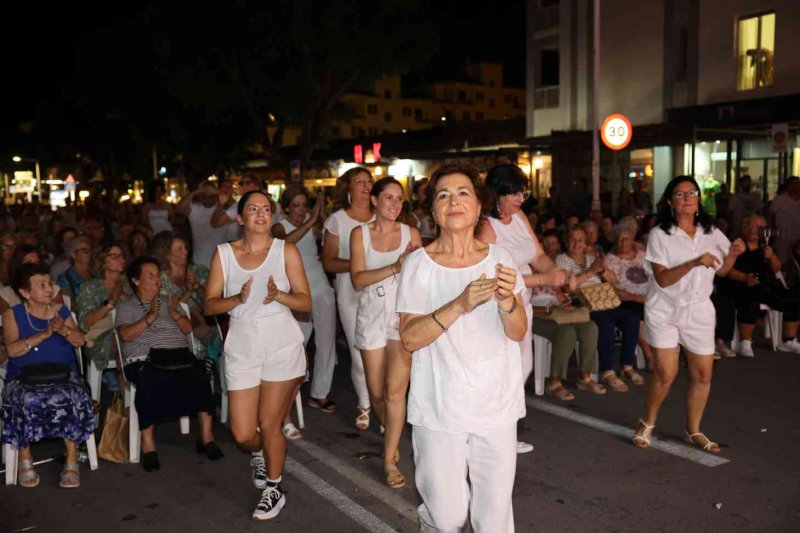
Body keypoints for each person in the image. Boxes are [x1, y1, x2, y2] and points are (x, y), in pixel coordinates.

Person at [397, 163, 527, 531]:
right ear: (434, 211)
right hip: (439, 408)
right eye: (443, 195)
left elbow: (518, 332)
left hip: (496, 405)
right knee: (446, 513)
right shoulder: (418, 265)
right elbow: (409, 337)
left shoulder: (501, 259)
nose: (453, 201)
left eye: (463, 192)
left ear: (479, 205)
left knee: (494, 515)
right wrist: (459, 304)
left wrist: (506, 303)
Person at [204, 190, 311, 520]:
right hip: (242, 344)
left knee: (270, 423)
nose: (261, 214)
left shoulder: (286, 251)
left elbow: (305, 303)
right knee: (244, 434)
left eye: (267, 209)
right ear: (240, 218)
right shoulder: (223, 254)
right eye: (253, 209)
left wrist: (280, 295)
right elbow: (209, 305)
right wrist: (236, 298)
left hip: (281, 341)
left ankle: (274, 489)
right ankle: (262, 455)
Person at [632, 175, 744, 453]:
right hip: (665, 310)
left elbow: (722, 270)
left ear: (698, 200)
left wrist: (733, 256)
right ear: (670, 202)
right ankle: (647, 422)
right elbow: (662, 280)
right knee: (665, 373)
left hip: (698, 310)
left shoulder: (711, 232)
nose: (686, 198)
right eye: (680, 195)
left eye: (691, 193)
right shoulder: (660, 234)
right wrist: (694, 262)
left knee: (703, 374)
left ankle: (693, 430)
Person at [478, 163, 572, 454]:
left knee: (523, 368)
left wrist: (559, 275)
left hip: (524, 304)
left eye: (523, 192)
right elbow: (494, 277)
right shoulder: (485, 226)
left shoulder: (518, 218)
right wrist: (543, 278)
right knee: (502, 371)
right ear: (497, 194)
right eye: (515, 193)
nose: (521, 199)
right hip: (498, 307)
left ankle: (501, 429)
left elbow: (538, 254)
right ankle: (491, 432)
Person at [115, 256, 223, 472]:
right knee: (148, 380)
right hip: (145, 360)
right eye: (151, 275)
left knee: (199, 372)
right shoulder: (127, 307)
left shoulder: (170, 302)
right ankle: (148, 445)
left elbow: (187, 330)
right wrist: (151, 316)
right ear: (136, 281)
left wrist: (174, 314)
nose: (157, 280)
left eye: (158, 275)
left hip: (178, 357)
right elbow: (126, 336)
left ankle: (206, 437)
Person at [350, 177, 421, 488]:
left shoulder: (412, 234)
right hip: (370, 315)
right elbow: (358, 279)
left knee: (395, 392)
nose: (395, 204)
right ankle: (389, 433)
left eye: (399, 199)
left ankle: (389, 459)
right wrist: (396, 265)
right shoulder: (359, 234)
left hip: (402, 315)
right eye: (389, 198)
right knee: (377, 393)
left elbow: (421, 278)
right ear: (375, 200)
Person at [1, 263, 91, 488]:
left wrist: (63, 329)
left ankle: (71, 459)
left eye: (49, 283)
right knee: (25, 399)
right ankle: (25, 459)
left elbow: (81, 341)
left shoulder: (61, 310)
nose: (49, 289)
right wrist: (43, 334)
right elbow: (12, 350)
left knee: (75, 395)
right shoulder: (13, 314)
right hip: (24, 378)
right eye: (41, 285)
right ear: (25, 292)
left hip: (62, 375)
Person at [272, 186, 337, 432]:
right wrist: (310, 221)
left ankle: (320, 392)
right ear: (287, 207)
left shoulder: (312, 223)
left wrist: (318, 213)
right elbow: (284, 244)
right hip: (297, 288)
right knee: (298, 343)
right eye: (296, 205)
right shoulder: (280, 226)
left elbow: (324, 240)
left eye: (303, 204)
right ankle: (286, 399)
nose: (300, 210)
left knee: (326, 341)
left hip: (320, 284)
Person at [322, 167, 375, 430]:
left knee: (383, 353)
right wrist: (360, 263)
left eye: (369, 181)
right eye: (360, 182)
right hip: (350, 295)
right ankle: (365, 404)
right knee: (359, 354)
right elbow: (329, 262)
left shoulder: (383, 216)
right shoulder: (337, 220)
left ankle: (384, 405)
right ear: (348, 188)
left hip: (381, 295)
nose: (366, 186)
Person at [557, 225, 641, 392]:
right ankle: (608, 370)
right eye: (573, 240)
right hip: (580, 302)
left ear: (586, 243)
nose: (577, 244)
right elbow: (568, 288)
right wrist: (590, 272)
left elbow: (613, 279)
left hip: (602, 299)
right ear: (567, 242)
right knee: (606, 322)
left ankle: (627, 364)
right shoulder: (562, 259)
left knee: (631, 318)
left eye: (580, 240)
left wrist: (601, 269)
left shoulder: (591, 257)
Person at [725, 214, 800, 355]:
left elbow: (777, 269)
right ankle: (745, 342)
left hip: (765, 284)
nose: (759, 229)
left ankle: (789, 340)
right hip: (741, 283)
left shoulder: (764, 245)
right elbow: (726, 269)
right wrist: (744, 277)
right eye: (756, 226)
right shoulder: (737, 244)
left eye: (762, 227)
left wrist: (771, 256)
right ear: (747, 227)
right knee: (750, 296)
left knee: (794, 296)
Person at [151, 232, 220, 362]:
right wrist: (188, 292)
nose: (185, 252)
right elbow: (169, 310)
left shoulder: (199, 270)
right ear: (167, 255)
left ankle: (212, 363)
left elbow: (212, 302)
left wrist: (197, 286)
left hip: (207, 319)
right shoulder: (160, 279)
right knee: (190, 314)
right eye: (179, 249)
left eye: (185, 247)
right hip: (177, 325)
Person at [75, 243, 130, 383]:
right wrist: (110, 302)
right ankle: (126, 397)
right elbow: (85, 323)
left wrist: (123, 296)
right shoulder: (90, 287)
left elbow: (137, 311)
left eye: (121, 256)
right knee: (125, 344)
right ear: (103, 262)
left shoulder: (129, 284)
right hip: (100, 339)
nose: (120, 259)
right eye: (114, 256)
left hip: (127, 331)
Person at [604, 227, 653, 377]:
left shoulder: (643, 257)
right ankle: (649, 355)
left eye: (626, 239)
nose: (622, 242)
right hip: (626, 299)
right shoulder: (610, 260)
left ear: (633, 241)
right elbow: (611, 289)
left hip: (649, 297)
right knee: (636, 313)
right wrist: (636, 298)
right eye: (619, 239)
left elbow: (656, 280)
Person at [177, 180, 229, 267]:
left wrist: (214, 192)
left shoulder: (223, 208)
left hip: (221, 261)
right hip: (199, 261)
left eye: (209, 194)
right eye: (204, 194)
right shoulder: (194, 208)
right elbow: (179, 209)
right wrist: (196, 192)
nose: (206, 196)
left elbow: (228, 197)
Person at [211, 174, 262, 241]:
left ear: (256, 186)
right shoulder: (238, 206)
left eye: (247, 183)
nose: (242, 186)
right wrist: (221, 205)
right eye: (241, 183)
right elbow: (216, 224)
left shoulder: (270, 204)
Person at [768, 176, 800, 264]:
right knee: (782, 262)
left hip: (798, 237)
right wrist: (772, 231)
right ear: (789, 185)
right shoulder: (779, 199)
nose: (797, 186)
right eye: (794, 184)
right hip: (783, 237)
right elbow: (770, 215)